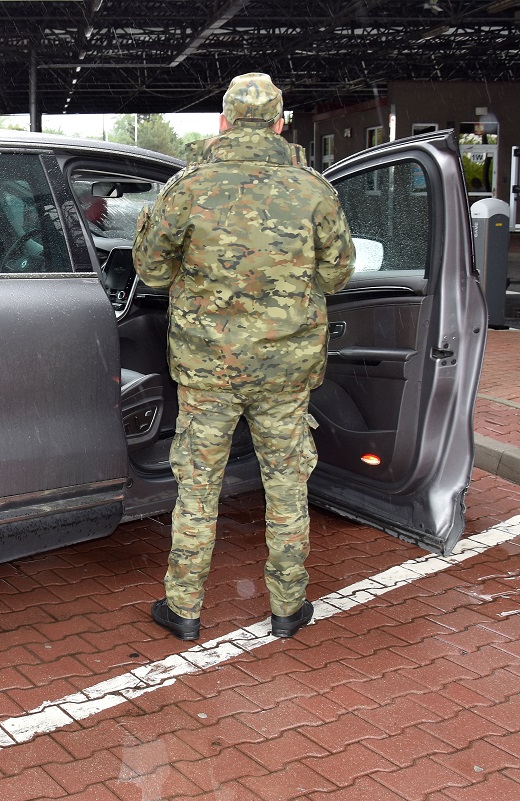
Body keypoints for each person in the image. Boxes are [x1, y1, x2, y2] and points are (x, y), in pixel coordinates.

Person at [132, 72, 355, 641]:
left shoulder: (186, 188)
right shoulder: (314, 190)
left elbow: (152, 271)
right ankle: (287, 608)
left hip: (207, 371)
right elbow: (338, 273)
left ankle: (183, 609)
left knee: (198, 486)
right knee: (286, 484)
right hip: (286, 371)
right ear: (281, 123)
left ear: (224, 123)